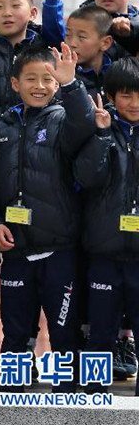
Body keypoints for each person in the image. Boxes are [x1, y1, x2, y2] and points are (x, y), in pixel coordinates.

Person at [0, 45, 96, 393]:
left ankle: (69, 391)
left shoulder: (63, 121)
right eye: (31, 78)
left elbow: (83, 126)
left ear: (57, 84)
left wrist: (72, 87)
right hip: (15, 252)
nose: (40, 85)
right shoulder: (2, 127)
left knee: (64, 329)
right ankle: (15, 388)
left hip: (60, 250)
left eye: (48, 79)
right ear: (14, 83)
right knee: (15, 329)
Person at [75, 57, 139, 394]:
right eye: (127, 96)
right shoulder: (100, 129)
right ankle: (93, 390)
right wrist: (100, 135)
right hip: (103, 250)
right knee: (100, 327)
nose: (135, 103)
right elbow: (86, 177)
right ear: (111, 96)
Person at [67, 5, 115, 100]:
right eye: (68, 35)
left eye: (82, 37)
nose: (72, 44)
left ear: (105, 43)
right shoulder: (63, 79)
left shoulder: (118, 75)